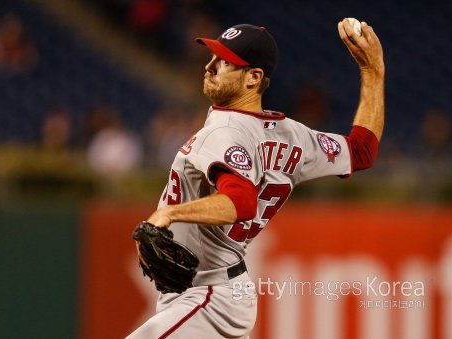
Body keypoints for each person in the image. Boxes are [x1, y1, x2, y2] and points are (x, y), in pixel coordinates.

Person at [128, 19, 384, 338]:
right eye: (212, 57)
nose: (209, 66)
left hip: (209, 296)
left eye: (224, 62)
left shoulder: (225, 132)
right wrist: (373, 73)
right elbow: (361, 151)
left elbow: (241, 201)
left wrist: (169, 213)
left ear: (253, 77)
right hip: (223, 292)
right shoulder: (293, 136)